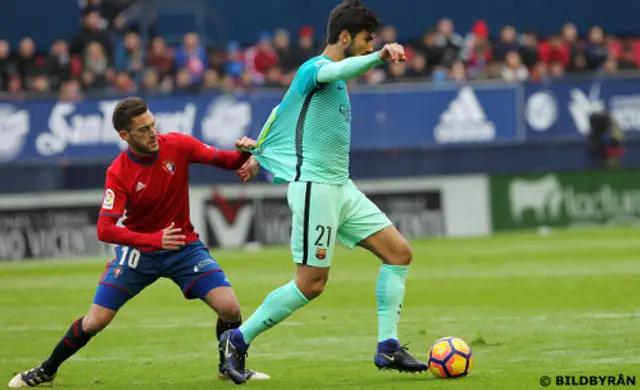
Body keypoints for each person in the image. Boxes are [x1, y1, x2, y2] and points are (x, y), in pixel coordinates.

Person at [219, 0, 427, 384]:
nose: (369, 46)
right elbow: (341, 67)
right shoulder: (316, 69)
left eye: (374, 42)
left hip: (340, 187)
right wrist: (379, 58)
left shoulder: (331, 79)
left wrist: (258, 153)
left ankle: (388, 347)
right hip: (316, 188)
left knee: (399, 253)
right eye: (366, 40)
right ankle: (237, 339)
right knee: (311, 284)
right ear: (345, 37)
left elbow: (282, 112)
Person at [8, 97, 269, 388]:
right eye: (143, 129)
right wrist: (152, 239)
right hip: (139, 252)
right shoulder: (118, 172)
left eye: (152, 125)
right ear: (125, 135)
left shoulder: (178, 145)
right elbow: (105, 229)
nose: (152, 133)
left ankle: (229, 366)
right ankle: (46, 370)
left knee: (230, 308)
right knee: (95, 321)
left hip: (182, 247)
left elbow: (228, 161)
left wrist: (245, 151)